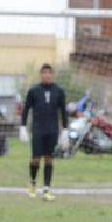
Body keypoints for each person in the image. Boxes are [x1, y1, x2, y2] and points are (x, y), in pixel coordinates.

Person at [21, 64, 68, 200]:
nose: (47, 75)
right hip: (38, 129)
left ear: (52, 75)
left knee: (49, 159)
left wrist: (65, 129)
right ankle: (32, 184)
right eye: (44, 73)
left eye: (49, 73)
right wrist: (23, 127)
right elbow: (26, 109)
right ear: (41, 75)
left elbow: (63, 111)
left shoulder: (59, 91)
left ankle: (46, 189)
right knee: (36, 159)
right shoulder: (34, 90)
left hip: (52, 130)